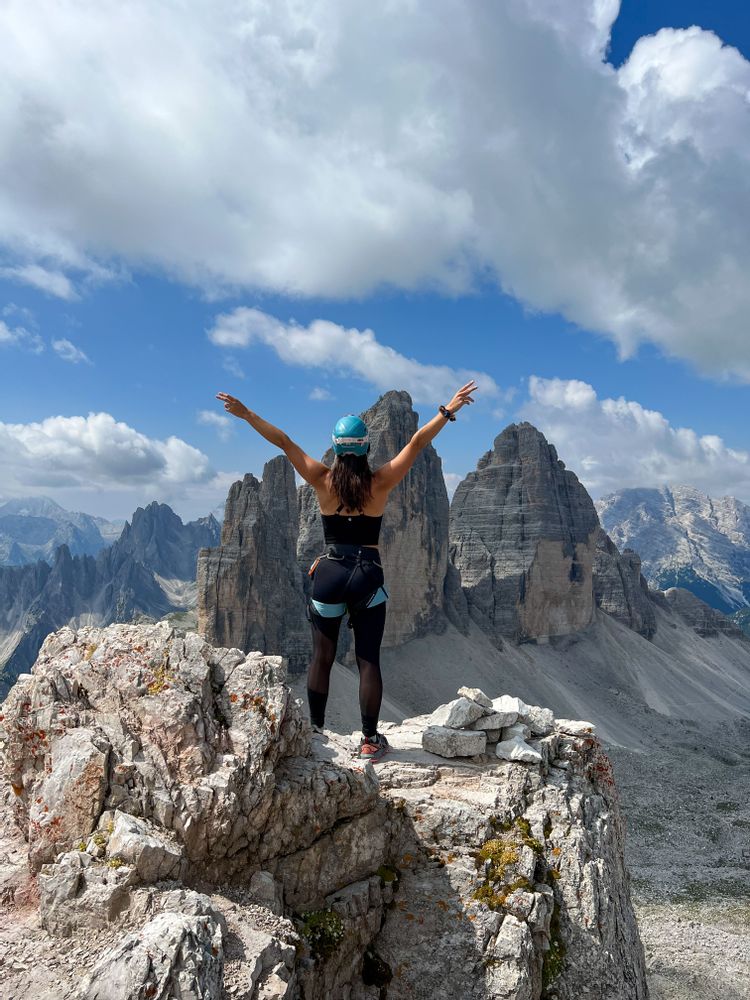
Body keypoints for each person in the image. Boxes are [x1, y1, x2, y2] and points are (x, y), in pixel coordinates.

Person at [216, 380, 478, 761]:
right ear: (366, 448)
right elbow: (417, 443)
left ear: (336, 450)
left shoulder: (322, 480)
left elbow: (284, 442)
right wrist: (447, 410)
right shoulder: (380, 483)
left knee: (321, 657)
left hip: (329, 573)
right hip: (367, 576)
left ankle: (315, 733)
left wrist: (247, 414)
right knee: (368, 660)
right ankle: (370, 741)